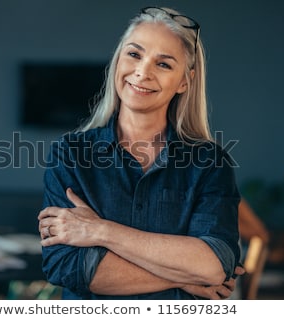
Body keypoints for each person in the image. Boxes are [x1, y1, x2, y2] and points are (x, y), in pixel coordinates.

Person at [38, 6, 244, 300]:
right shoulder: (70, 153)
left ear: (185, 81)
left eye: (164, 64)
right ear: (118, 59)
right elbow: (69, 267)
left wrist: (101, 231)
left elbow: (213, 265)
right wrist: (186, 278)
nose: (142, 72)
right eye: (134, 54)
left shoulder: (210, 163)